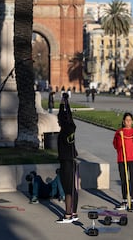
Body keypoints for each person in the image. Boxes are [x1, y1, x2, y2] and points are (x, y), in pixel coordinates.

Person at [112, 112, 133, 212]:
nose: (128, 122)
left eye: (130, 120)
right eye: (126, 120)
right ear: (123, 121)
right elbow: (116, 146)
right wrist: (119, 137)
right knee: (124, 180)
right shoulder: (119, 132)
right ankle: (125, 200)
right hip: (123, 159)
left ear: (132, 121)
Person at [56, 92, 79, 223]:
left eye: (59, 119)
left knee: (67, 189)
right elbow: (68, 115)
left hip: (66, 161)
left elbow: (64, 116)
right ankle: (74, 213)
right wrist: (65, 102)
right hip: (71, 160)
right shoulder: (71, 127)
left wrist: (62, 103)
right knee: (72, 188)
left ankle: (68, 215)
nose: (58, 121)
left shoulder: (64, 130)